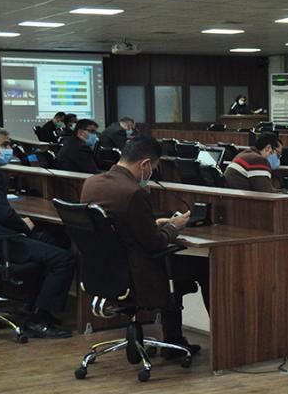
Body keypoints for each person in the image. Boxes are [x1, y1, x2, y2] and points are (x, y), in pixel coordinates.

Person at [80, 136, 208, 355]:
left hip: (103, 272)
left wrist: (153, 224)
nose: (152, 173)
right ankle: (183, 341)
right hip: (136, 275)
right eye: (154, 168)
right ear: (145, 164)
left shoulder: (91, 183)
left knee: (174, 265)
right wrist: (174, 226)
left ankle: (174, 341)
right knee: (202, 268)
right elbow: (154, 244)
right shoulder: (134, 192)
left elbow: (114, 226)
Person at [0, 124, 73, 338]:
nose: (9, 149)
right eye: (4, 145)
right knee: (63, 259)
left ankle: (30, 305)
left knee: (53, 240)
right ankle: (40, 320)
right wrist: (23, 224)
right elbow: (1, 213)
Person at [224, 132, 288, 197]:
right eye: (278, 155)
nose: (278, 160)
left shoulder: (244, 154)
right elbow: (266, 194)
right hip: (244, 207)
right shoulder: (258, 160)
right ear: (268, 148)